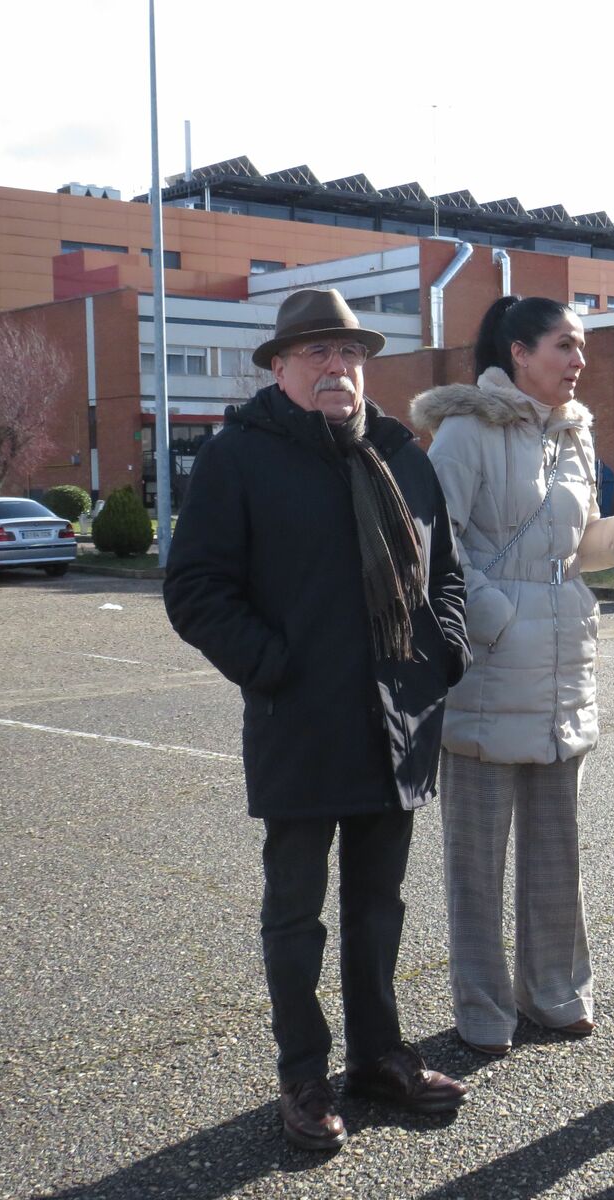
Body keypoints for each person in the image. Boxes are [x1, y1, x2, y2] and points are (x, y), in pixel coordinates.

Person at [164, 288, 472, 1151]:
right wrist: (274, 666)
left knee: (381, 906)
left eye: (350, 353)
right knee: (296, 914)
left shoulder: (401, 453)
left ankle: (379, 1057)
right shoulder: (241, 457)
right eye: (316, 353)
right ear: (279, 367)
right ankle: (304, 1075)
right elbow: (194, 589)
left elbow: (444, 569)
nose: (337, 366)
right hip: (300, 719)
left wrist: (445, 650)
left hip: (397, 718)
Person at [409, 295, 614, 1057]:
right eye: (564, 345)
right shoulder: (464, 431)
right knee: (476, 865)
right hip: (488, 671)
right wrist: (495, 619)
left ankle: (556, 994)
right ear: (518, 352)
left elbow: (567, 546)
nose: (579, 361)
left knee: (559, 852)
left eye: (580, 346)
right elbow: (429, 543)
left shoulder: (575, 435)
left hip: (563, 668)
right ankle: (483, 1011)